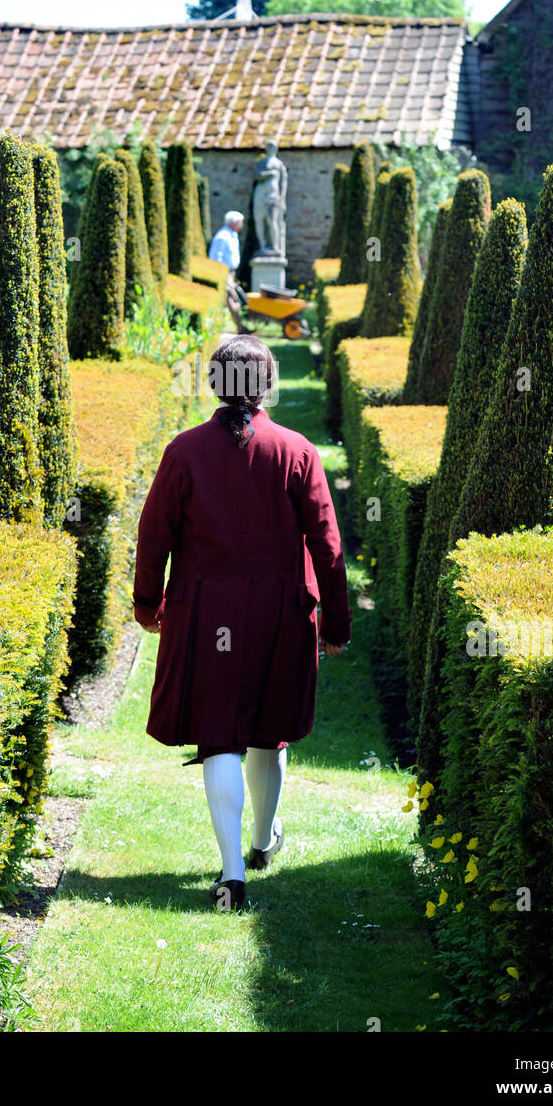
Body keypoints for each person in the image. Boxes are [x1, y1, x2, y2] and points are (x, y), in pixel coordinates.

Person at [131, 334, 351, 913]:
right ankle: (261, 841)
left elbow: (153, 537)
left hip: (207, 616)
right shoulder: (298, 451)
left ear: (215, 385)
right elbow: (328, 548)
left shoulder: (183, 452)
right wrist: (337, 621)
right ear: (267, 386)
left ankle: (233, 873)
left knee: (219, 737)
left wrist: (146, 602)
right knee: (267, 728)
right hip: (281, 614)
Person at [208, 210, 249, 333]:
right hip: (224, 272)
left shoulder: (231, 235)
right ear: (234, 222)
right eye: (240, 221)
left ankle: (241, 327)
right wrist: (224, 276)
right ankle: (240, 328)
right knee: (231, 299)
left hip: (230, 272)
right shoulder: (223, 236)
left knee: (232, 299)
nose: (242, 224)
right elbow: (216, 257)